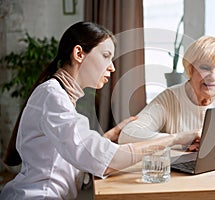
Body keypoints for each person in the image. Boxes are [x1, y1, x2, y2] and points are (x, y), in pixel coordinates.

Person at [0, 22, 198, 199]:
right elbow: (103, 159)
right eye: (105, 56)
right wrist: (176, 138)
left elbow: (76, 156)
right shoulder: (52, 96)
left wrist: (109, 136)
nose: (112, 68)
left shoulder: (59, 96)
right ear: (79, 54)